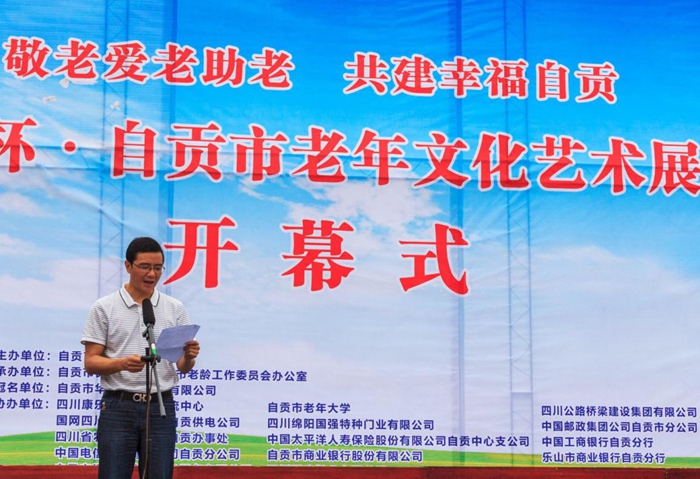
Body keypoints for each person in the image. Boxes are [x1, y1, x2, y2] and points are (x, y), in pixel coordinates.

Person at [81, 237, 200, 479]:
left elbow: (182, 366)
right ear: (128, 266)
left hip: (160, 407)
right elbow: (91, 362)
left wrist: (189, 356)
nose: (152, 274)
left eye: (158, 268)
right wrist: (122, 364)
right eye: (145, 266)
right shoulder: (104, 307)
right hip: (118, 407)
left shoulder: (174, 308)